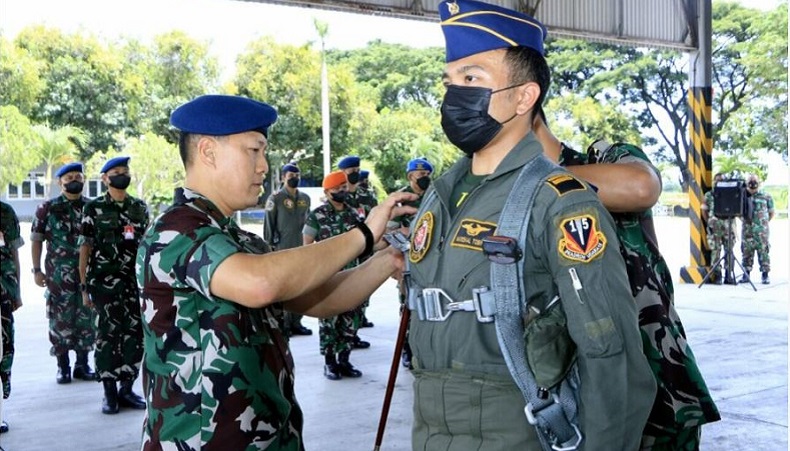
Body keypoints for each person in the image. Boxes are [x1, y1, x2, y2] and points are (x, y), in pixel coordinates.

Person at [405, 1, 656, 449]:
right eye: (450, 81)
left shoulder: (560, 203)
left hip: (514, 430)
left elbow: (610, 354)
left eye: (472, 79)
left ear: (524, 96)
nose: (453, 94)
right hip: (431, 427)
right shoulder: (440, 195)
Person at [136, 94, 415, 449]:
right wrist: (362, 235)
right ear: (208, 152)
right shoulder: (175, 230)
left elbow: (319, 299)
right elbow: (261, 283)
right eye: (254, 151)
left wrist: (386, 259)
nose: (264, 166)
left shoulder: (240, 240)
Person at [533, 112, 721, 450]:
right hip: (565, 383)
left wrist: (525, 182)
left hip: (654, 371)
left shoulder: (604, 158)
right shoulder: (495, 201)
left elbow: (639, 185)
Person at [78, 156, 149, 414]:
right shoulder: (93, 209)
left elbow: (147, 247)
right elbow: (85, 249)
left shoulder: (139, 208)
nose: (122, 175)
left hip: (134, 284)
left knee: (135, 336)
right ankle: (109, 393)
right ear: (105, 178)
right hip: (103, 285)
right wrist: (84, 287)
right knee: (107, 338)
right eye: (116, 172)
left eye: (125, 171)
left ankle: (127, 390)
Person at [31, 162, 97, 384]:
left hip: (86, 275)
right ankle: (63, 367)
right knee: (60, 320)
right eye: (69, 177)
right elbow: (36, 240)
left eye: (78, 176)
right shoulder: (47, 208)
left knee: (86, 319)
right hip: (58, 276)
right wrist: (37, 270)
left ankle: (82, 364)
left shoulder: (92, 207)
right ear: (60, 182)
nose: (74, 180)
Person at [303, 171, 369, 380]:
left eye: (343, 187)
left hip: (352, 276)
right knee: (329, 321)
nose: (341, 191)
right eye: (337, 189)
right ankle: (330, 363)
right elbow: (307, 245)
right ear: (327, 191)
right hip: (328, 277)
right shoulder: (318, 214)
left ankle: (345, 361)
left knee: (350, 319)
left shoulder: (354, 214)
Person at [389, 157, 434, 369]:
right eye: (421, 175)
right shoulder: (400, 200)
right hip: (408, 260)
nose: (425, 178)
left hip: (432, 260)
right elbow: (389, 232)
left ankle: (425, 349)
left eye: (427, 174)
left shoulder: (436, 195)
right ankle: (407, 349)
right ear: (410, 176)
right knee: (408, 305)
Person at [264, 162, 313, 336]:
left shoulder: (305, 198)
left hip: (301, 248)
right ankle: (283, 323)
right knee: (285, 287)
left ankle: (296, 322)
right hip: (282, 248)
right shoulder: (275, 198)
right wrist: (269, 246)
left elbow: (309, 223)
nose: (295, 178)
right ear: (283, 177)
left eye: (297, 175)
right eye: (291, 176)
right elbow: (269, 224)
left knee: (300, 287)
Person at [338, 155, 377, 329]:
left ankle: (357, 325)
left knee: (363, 288)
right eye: (351, 171)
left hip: (366, 249)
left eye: (357, 171)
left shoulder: (367, 196)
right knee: (344, 289)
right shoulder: (339, 196)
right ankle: (344, 331)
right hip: (346, 250)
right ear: (343, 172)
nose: (355, 173)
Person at [0, 201, 23, 434]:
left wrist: (17, 292)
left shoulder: (5, 212)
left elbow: (14, 254)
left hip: (3, 293)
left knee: (5, 350)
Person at [701, 172, 736, 284]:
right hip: (715, 227)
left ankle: (728, 275)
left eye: (721, 180)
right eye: (717, 180)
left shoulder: (730, 194)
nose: (718, 182)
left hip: (728, 226)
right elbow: (704, 210)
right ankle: (717, 275)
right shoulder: (709, 195)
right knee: (715, 252)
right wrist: (710, 222)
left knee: (729, 251)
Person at [740, 173, 774, 284]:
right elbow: (738, 213)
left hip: (761, 231)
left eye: (754, 180)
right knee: (746, 253)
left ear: (758, 183)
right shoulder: (742, 196)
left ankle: (765, 275)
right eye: (750, 180)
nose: (752, 182)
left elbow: (771, 212)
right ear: (746, 183)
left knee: (763, 252)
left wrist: (762, 223)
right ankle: (746, 275)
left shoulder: (766, 196)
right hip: (747, 231)